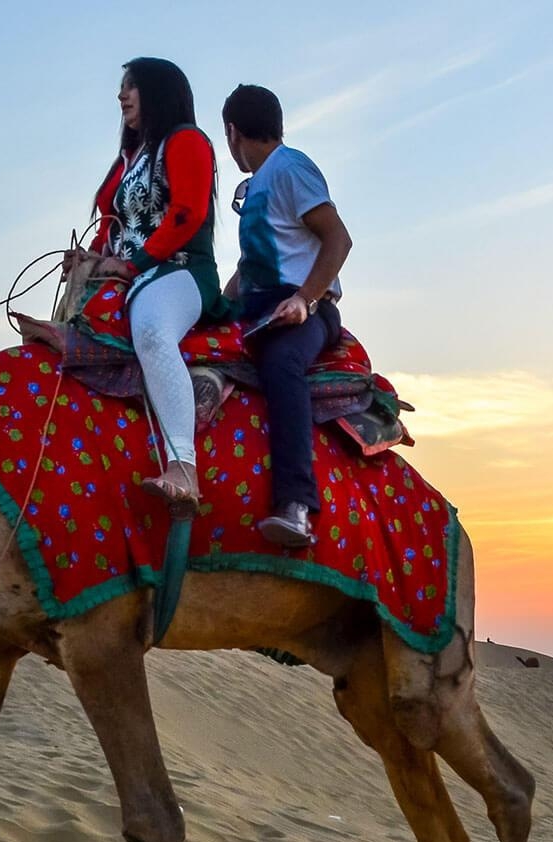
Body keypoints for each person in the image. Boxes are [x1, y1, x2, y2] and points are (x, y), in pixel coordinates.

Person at [84, 57, 230, 510]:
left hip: (180, 271)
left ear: (158, 92)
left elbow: (187, 214)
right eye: (121, 87)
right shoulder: (129, 161)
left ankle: (184, 467)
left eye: (132, 86)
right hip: (134, 276)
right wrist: (91, 258)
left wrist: (133, 264)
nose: (122, 95)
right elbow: (115, 226)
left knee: (151, 331)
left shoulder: (185, 141)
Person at [219, 84, 353, 547]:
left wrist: (306, 300)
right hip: (257, 308)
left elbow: (338, 239)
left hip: (304, 311)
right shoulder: (256, 185)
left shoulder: (291, 168)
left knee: (281, 364)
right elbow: (249, 267)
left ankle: (296, 504)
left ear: (232, 131)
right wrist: (215, 306)